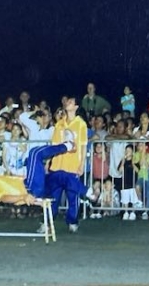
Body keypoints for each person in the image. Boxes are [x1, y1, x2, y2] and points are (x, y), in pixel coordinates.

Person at [47, 96, 90, 233]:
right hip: (57, 165)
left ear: (76, 107)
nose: (67, 103)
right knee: (53, 197)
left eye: (71, 102)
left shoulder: (81, 124)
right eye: (67, 101)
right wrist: (48, 162)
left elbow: (83, 146)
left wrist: (81, 164)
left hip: (72, 166)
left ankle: (72, 221)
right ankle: (47, 222)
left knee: (72, 195)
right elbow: (53, 145)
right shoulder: (59, 124)